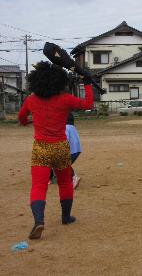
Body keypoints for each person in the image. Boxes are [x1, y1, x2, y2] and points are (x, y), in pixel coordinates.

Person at [18, 61, 94, 240]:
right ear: (59, 82)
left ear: (36, 81)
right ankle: (66, 217)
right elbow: (88, 103)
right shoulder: (65, 99)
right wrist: (88, 83)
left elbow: (21, 117)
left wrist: (27, 122)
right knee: (65, 183)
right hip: (60, 147)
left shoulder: (31, 99)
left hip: (41, 148)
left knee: (38, 185)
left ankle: (39, 221)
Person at [49, 112, 82, 189]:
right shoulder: (72, 127)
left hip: (71, 150)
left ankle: (74, 177)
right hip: (77, 150)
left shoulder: (65, 128)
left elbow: (64, 139)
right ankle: (61, 177)